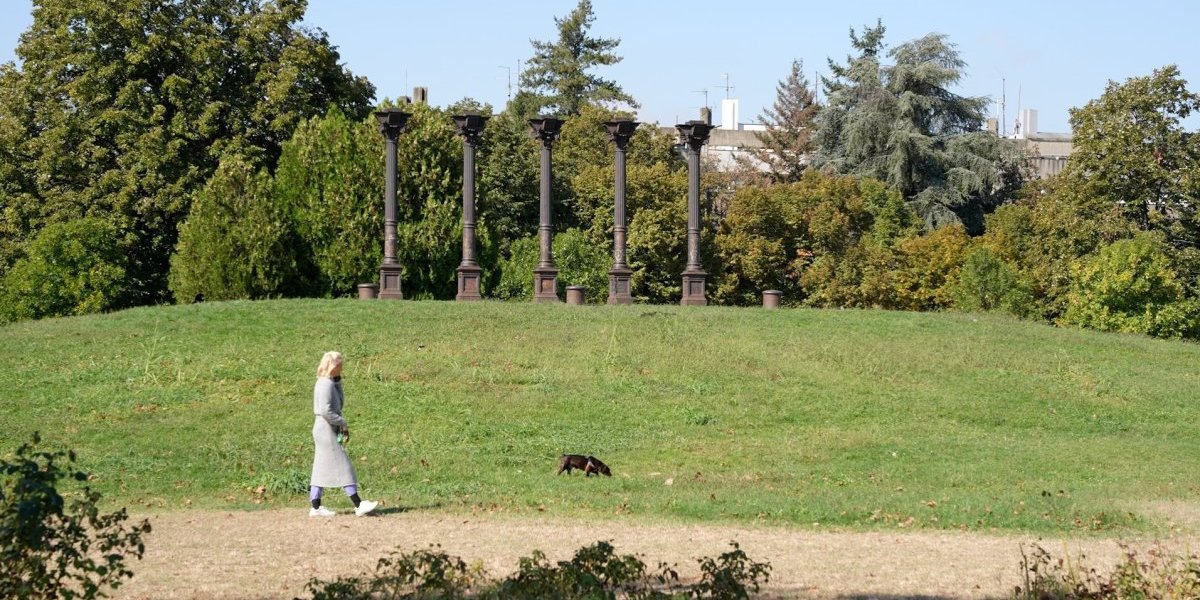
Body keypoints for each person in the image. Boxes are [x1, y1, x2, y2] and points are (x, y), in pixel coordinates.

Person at [308, 351, 377, 517]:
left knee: (320, 468)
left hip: (323, 428)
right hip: (326, 429)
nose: (342, 368)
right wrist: (342, 423)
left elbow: (339, 402)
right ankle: (358, 504)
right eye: (340, 365)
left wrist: (338, 382)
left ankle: (315, 506)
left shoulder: (326, 382)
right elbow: (326, 410)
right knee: (343, 466)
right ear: (334, 366)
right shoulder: (326, 385)